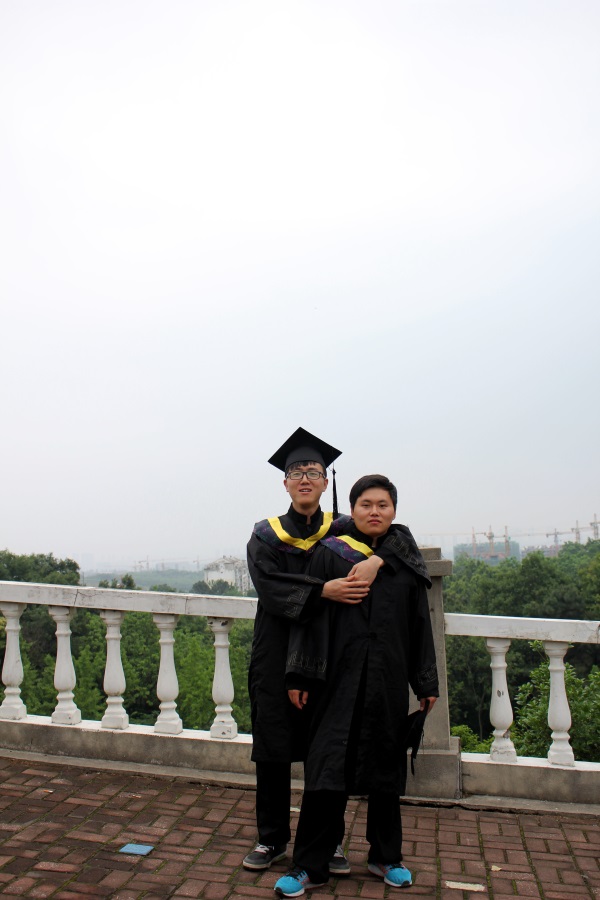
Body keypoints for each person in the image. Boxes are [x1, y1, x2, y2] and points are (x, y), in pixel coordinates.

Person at [244, 431, 413, 875]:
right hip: (276, 651)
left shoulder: (341, 530)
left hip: (330, 656)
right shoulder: (265, 536)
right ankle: (271, 837)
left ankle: (328, 842)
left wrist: (377, 561)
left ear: (324, 482)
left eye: (313, 472)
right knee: (275, 748)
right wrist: (323, 590)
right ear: (285, 483)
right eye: (296, 472)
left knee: (330, 751)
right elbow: (270, 587)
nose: (305, 478)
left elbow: (400, 540)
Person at [274, 474, 439, 897]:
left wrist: (425, 682)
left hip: (386, 680)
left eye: (383, 504)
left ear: (394, 511)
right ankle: (309, 865)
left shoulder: (403, 561)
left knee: (385, 770)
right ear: (352, 510)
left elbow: (420, 625)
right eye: (366, 504)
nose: (374, 511)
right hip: (336, 681)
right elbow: (308, 618)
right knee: (326, 767)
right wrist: (299, 674)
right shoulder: (330, 554)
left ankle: (386, 857)